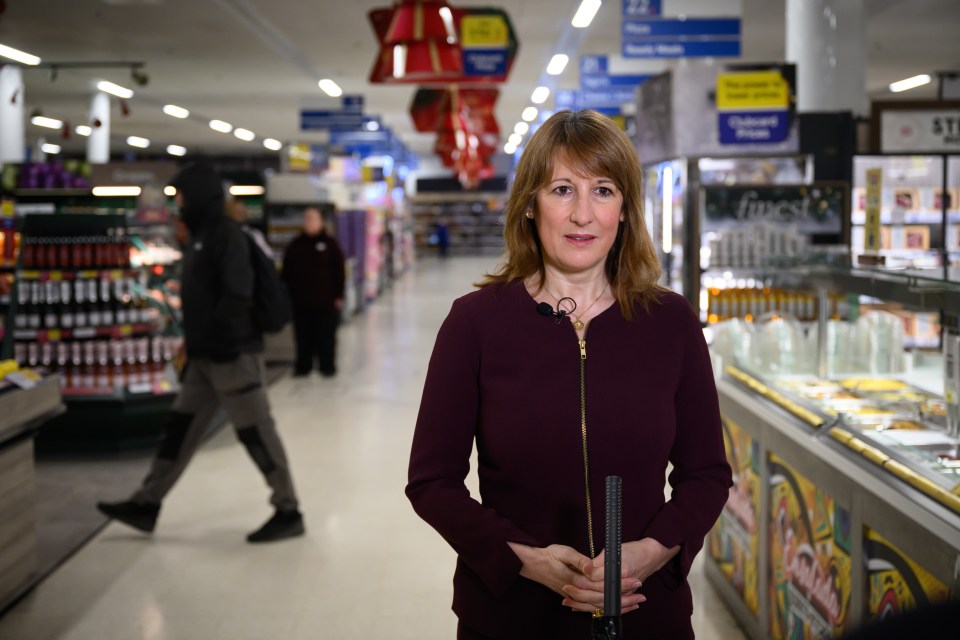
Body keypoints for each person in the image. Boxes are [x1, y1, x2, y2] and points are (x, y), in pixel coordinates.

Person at [406, 110, 733, 639]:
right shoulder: (475, 323)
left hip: (645, 613)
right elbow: (431, 482)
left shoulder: (669, 322)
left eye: (602, 190)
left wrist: (652, 552)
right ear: (531, 205)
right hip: (513, 616)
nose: (582, 214)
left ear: (625, 209)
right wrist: (524, 560)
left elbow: (707, 476)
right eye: (562, 189)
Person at [97, 162, 304, 544]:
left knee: (256, 433)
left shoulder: (226, 236)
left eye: (183, 196)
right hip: (204, 360)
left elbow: (238, 294)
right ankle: (147, 502)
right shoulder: (197, 236)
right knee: (178, 432)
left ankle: (288, 508)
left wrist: (221, 337)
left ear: (201, 197)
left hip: (232, 357)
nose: (179, 204)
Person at [281, 206, 346, 377]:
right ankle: (303, 366)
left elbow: (340, 271)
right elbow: (286, 273)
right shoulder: (295, 245)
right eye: (306, 218)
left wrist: (339, 295)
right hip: (301, 302)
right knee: (303, 338)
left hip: (326, 302)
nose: (308, 222)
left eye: (312, 218)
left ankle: (327, 366)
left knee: (326, 337)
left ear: (321, 222)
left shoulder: (330, 244)